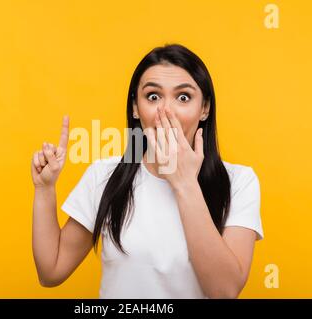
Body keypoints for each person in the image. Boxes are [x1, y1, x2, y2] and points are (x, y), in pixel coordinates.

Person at [31, 44, 264, 299]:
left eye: (183, 97)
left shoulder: (239, 182)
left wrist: (185, 183)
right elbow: (50, 271)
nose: (166, 111)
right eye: (153, 97)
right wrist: (45, 189)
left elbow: (224, 291)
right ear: (135, 108)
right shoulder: (104, 176)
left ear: (205, 108)